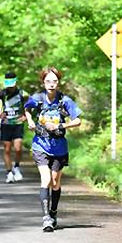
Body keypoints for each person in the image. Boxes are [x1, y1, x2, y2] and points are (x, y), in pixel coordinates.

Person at [24, 66, 82, 232]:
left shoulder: (65, 100)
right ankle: (46, 218)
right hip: (40, 145)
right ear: (43, 82)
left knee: (55, 182)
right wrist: (30, 121)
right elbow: (27, 108)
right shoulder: (37, 98)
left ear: (58, 82)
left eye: (54, 81)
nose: (51, 84)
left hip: (59, 148)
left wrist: (61, 125)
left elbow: (77, 120)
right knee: (46, 180)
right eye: (48, 81)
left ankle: (53, 211)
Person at [0, 73, 26, 183]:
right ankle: (9, 172)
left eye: (12, 84)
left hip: (18, 124)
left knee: (18, 148)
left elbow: (31, 103)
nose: (10, 87)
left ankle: (17, 167)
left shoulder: (22, 93)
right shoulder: (3, 93)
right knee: (7, 149)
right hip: (6, 124)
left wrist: (25, 116)